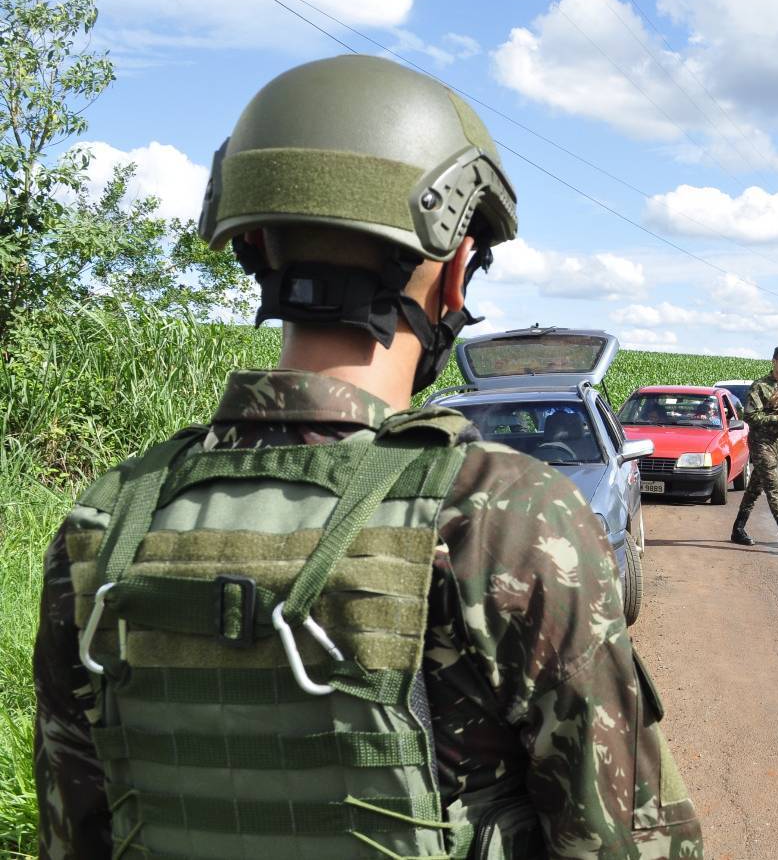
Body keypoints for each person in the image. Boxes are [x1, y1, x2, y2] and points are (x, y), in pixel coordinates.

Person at [31, 55, 701, 859]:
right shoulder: (508, 520)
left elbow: (74, 830)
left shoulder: (106, 521)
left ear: (254, 250)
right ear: (454, 275)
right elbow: (620, 841)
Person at [729, 346, 778, 550]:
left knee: (755, 488)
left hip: (775, 443)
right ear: (774, 362)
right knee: (774, 487)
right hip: (759, 443)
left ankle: (738, 529)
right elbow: (750, 416)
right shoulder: (760, 387)